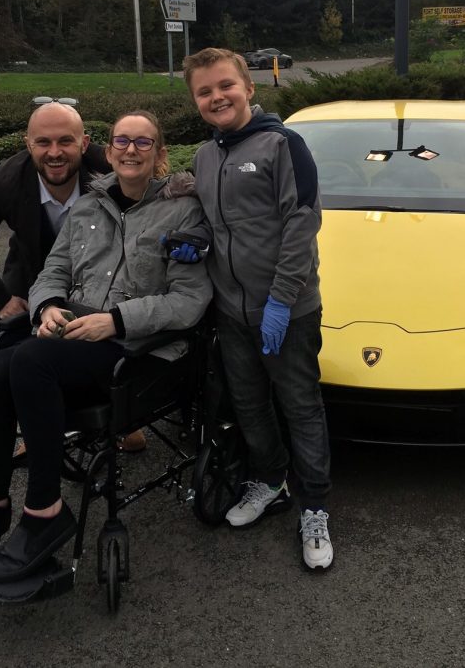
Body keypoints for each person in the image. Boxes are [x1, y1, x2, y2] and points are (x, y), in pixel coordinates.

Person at [0, 110, 212, 583]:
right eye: (122, 141)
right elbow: (53, 270)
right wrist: (46, 306)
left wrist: (115, 321)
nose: (131, 150)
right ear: (108, 151)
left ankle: (44, 512)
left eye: (143, 142)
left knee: (31, 361)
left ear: (160, 154)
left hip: (137, 347)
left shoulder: (183, 212)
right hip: (76, 335)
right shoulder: (88, 206)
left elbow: (189, 301)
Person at [182, 47, 333, 571]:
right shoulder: (205, 157)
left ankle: (314, 508)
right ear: (196, 101)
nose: (217, 97)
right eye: (204, 91)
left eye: (225, 85)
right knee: (249, 405)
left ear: (248, 87)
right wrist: (194, 238)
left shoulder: (284, 145)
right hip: (231, 311)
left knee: (301, 407)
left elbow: (303, 222)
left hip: (287, 310)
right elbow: (210, 218)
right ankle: (270, 482)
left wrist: (281, 301)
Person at [0, 101, 147, 452]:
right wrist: (0, 300)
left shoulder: (111, 167)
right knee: (13, 357)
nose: (54, 152)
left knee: (104, 349)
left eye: (65, 141)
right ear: (28, 144)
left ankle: (122, 417)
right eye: (43, 142)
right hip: (33, 280)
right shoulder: (5, 181)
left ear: (84, 144)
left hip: (101, 281)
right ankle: (37, 423)